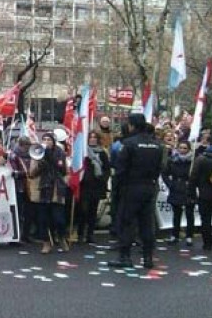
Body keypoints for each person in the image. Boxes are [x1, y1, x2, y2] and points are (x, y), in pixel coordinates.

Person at [108, 114, 166, 269]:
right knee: (147, 223)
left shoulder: (128, 144)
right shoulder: (156, 145)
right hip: (149, 186)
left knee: (127, 222)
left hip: (131, 187)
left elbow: (120, 170)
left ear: (132, 126)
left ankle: (124, 257)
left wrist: (117, 190)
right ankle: (148, 258)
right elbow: (160, 168)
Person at [28, 133, 69, 254]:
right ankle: (46, 243)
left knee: (59, 219)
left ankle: (61, 237)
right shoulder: (37, 153)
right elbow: (32, 173)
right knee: (43, 219)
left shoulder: (60, 153)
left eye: (49, 140)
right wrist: (40, 162)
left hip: (56, 189)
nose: (46, 142)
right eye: (44, 139)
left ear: (53, 141)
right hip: (43, 189)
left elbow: (64, 170)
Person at [77, 132, 111, 244]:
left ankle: (90, 234)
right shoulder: (83, 152)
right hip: (84, 185)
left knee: (93, 210)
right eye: (90, 137)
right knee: (83, 210)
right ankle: (80, 233)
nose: (92, 139)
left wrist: (103, 179)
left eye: (94, 137)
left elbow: (107, 168)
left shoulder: (102, 153)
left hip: (97, 185)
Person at [163, 141, 196, 246]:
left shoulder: (193, 162)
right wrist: (170, 184)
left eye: (185, 148)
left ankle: (189, 236)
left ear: (189, 149)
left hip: (188, 188)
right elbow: (164, 174)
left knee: (189, 213)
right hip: (176, 188)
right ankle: (175, 235)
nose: (182, 150)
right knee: (176, 214)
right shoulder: (172, 160)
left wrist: (193, 183)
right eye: (180, 148)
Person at [9, 136, 33, 243]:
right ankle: (16, 235)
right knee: (18, 212)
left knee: (29, 212)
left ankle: (26, 235)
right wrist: (27, 173)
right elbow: (13, 172)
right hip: (18, 186)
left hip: (29, 187)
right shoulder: (14, 155)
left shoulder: (32, 155)